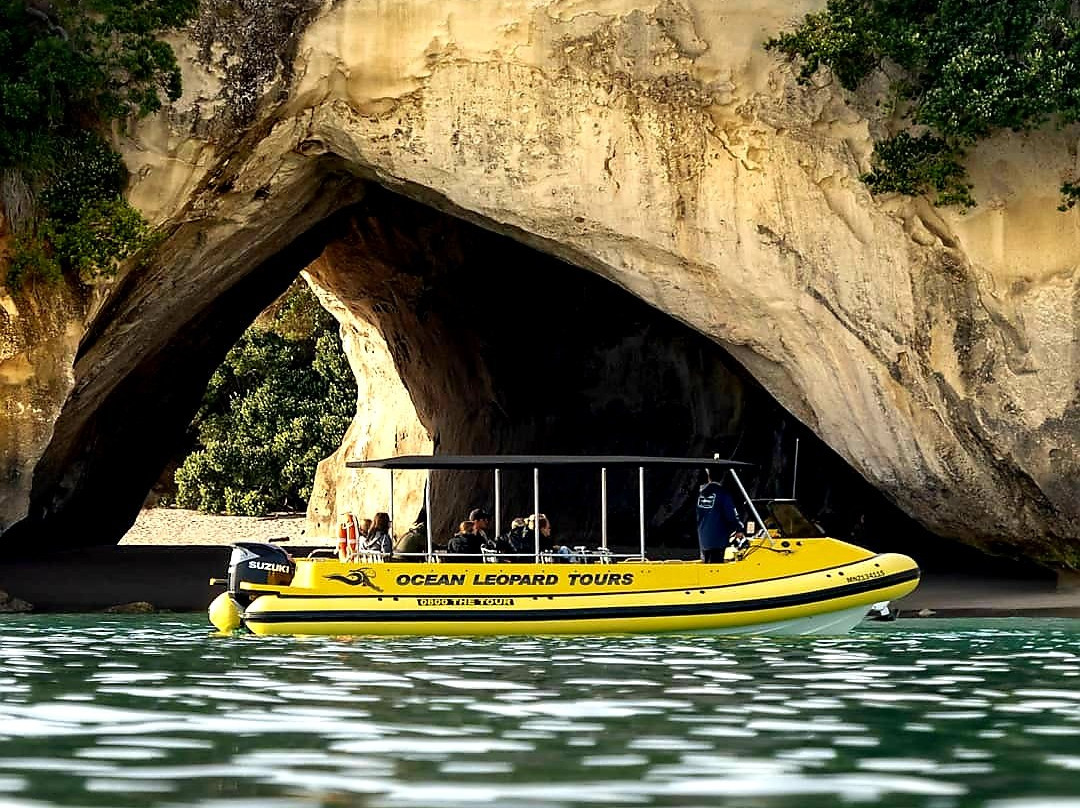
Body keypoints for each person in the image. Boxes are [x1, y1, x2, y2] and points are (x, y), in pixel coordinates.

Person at [696, 467, 745, 563]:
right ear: (722, 477)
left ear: (709, 476)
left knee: (706, 564)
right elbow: (731, 515)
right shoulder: (723, 494)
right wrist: (739, 528)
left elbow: (699, 515)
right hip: (718, 540)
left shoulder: (701, 494)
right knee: (716, 566)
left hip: (703, 539)